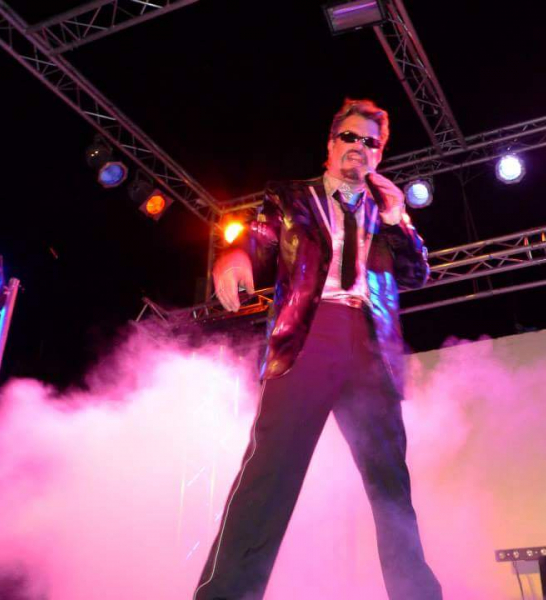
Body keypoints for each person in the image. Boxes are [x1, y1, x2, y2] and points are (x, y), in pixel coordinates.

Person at [193, 99, 443, 600]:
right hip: (308, 338)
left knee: (391, 486)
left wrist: (398, 219)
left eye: (371, 142)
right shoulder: (291, 197)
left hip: (370, 349)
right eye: (350, 137)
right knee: (270, 475)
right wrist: (235, 256)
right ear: (330, 144)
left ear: (379, 155)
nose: (359, 148)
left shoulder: (386, 211)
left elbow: (417, 273)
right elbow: (260, 238)